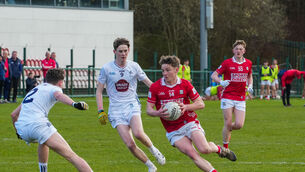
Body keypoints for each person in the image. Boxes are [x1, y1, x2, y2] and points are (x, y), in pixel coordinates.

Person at [147, 55, 236, 172]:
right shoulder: (155, 87)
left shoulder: (185, 84)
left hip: (189, 123)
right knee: (193, 154)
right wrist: (158, 113)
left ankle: (219, 149)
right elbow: (149, 110)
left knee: (205, 149)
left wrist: (186, 107)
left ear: (176, 69)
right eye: (163, 70)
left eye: (168, 70)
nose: (164, 73)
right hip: (173, 131)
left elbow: (201, 104)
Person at [96, 37, 165, 172]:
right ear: (114, 51)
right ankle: (150, 166)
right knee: (129, 144)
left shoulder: (134, 66)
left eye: (125, 51)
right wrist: (100, 110)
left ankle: (154, 150)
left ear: (129, 51)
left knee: (138, 133)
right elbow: (99, 92)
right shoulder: (106, 68)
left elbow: (149, 84)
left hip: (131, 105)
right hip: (115, 110)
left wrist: (164, 93)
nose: (123, 54)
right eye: (120, 51)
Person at [11, 68, 93, 172]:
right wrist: (74, 104)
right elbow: (59, 95)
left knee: (43, 141)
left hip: (22, 129)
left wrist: (18, 132)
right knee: (72, 156)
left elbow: (13, 115)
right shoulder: (55, 89)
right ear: (60, 82)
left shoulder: (36, 89)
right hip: (37, 125)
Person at [211, 40, 253, 149]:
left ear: (244, 51)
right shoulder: (227, 63)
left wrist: (250, 85)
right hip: (228, 96)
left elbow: (249, 75)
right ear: (233, 50)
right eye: (236, 49)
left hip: (240, 97)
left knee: (239, 125)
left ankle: (228, 128)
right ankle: (225, 148)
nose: (238, 51)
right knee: (228, 122)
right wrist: (221, 82)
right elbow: (214, 75)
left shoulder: (248, 63)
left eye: (240, 49)